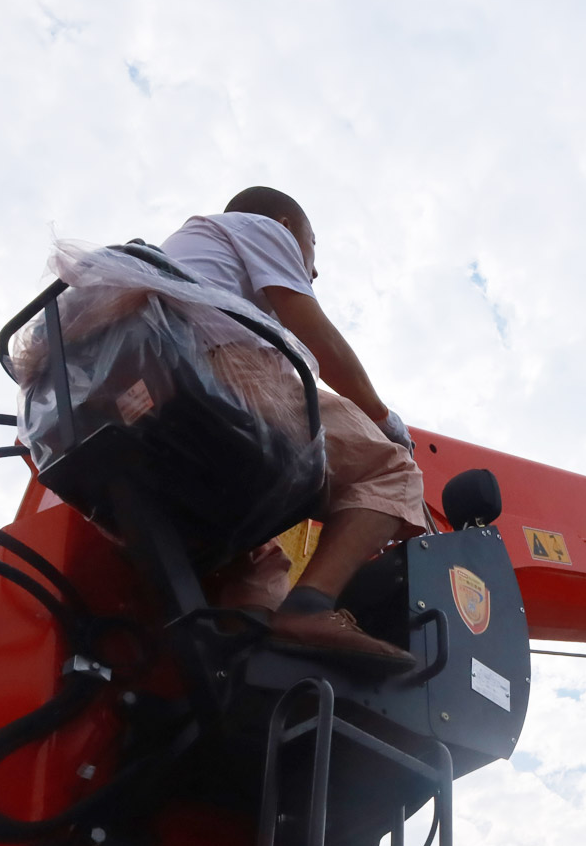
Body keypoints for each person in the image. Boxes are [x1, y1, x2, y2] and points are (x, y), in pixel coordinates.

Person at [160, 187, 422, 668]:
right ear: (285, 225)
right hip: (222, 372)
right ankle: (310, 608)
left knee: (256, 552)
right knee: (391, 470)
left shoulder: (174, 255)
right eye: (313, 246)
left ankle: (244, 660)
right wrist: (384, 420)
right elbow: (316, 337)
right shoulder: (258, 229)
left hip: (151, 408)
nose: (315, 270)